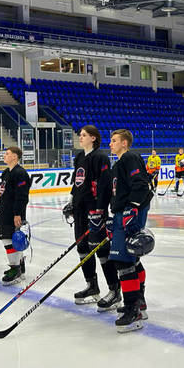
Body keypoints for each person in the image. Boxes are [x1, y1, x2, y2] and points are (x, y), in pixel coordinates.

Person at [67, 125, 119, 310]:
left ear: (94, 138)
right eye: (80, 135)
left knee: (100, 249)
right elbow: (76, 182)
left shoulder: (100, 157)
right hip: (80, 210)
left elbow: (105, 185)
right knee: (82, 248)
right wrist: (71, 202)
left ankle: (114, 290)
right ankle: (92, 286)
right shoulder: (80, 157)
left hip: (94, 211)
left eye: (83, 135)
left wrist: (100, 209)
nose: (80, 137)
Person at [108, 129, 154, 333]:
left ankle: (132, 308)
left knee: (124, 260)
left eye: (114, 140)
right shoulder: (118, 163)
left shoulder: (130, 157)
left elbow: (141, 185)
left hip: (131, 212)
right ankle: (137, 303)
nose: (110, 143)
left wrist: (132, 207)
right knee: (131, 259)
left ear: (125, 143)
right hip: (122, 213)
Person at [0, 146, 31, 285]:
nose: (4, 155)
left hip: (14, 213)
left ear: (15, 157)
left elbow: (22, 196)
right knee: (9, 238)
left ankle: (14, 268)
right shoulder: (5, 173)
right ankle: (19, 265)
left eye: (7, 154)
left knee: (9, 240)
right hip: (5, 211)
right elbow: (3, 194)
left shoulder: (20, 173)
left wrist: (18, 214)